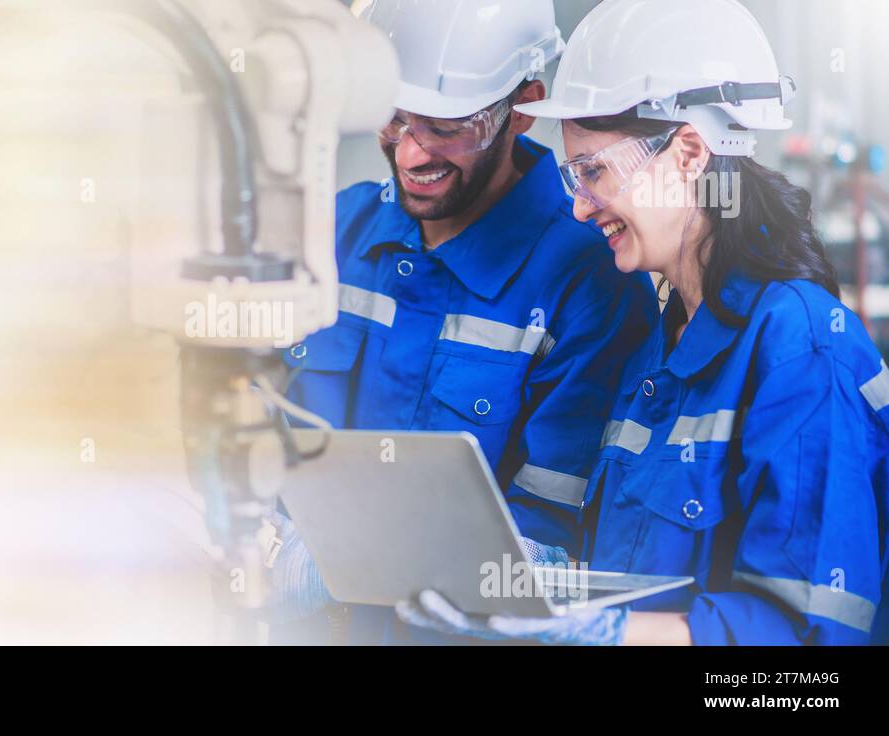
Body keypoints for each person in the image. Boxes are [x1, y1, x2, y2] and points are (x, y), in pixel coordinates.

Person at [398, 0, 888, 645]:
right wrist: (526, 587)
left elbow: (805, 653)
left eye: (593, 171)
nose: (578, 207)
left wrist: (600, 634)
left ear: (688, 152)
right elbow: (630, 569)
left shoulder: (800, 350)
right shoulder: (660, 347)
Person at [262, 0, 658, 645]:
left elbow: (552, 539)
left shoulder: (592, 284)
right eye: (393, 116)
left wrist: (357, 561)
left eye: (447, 124)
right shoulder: (333, 232)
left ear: (524, 106)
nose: (411, 152)